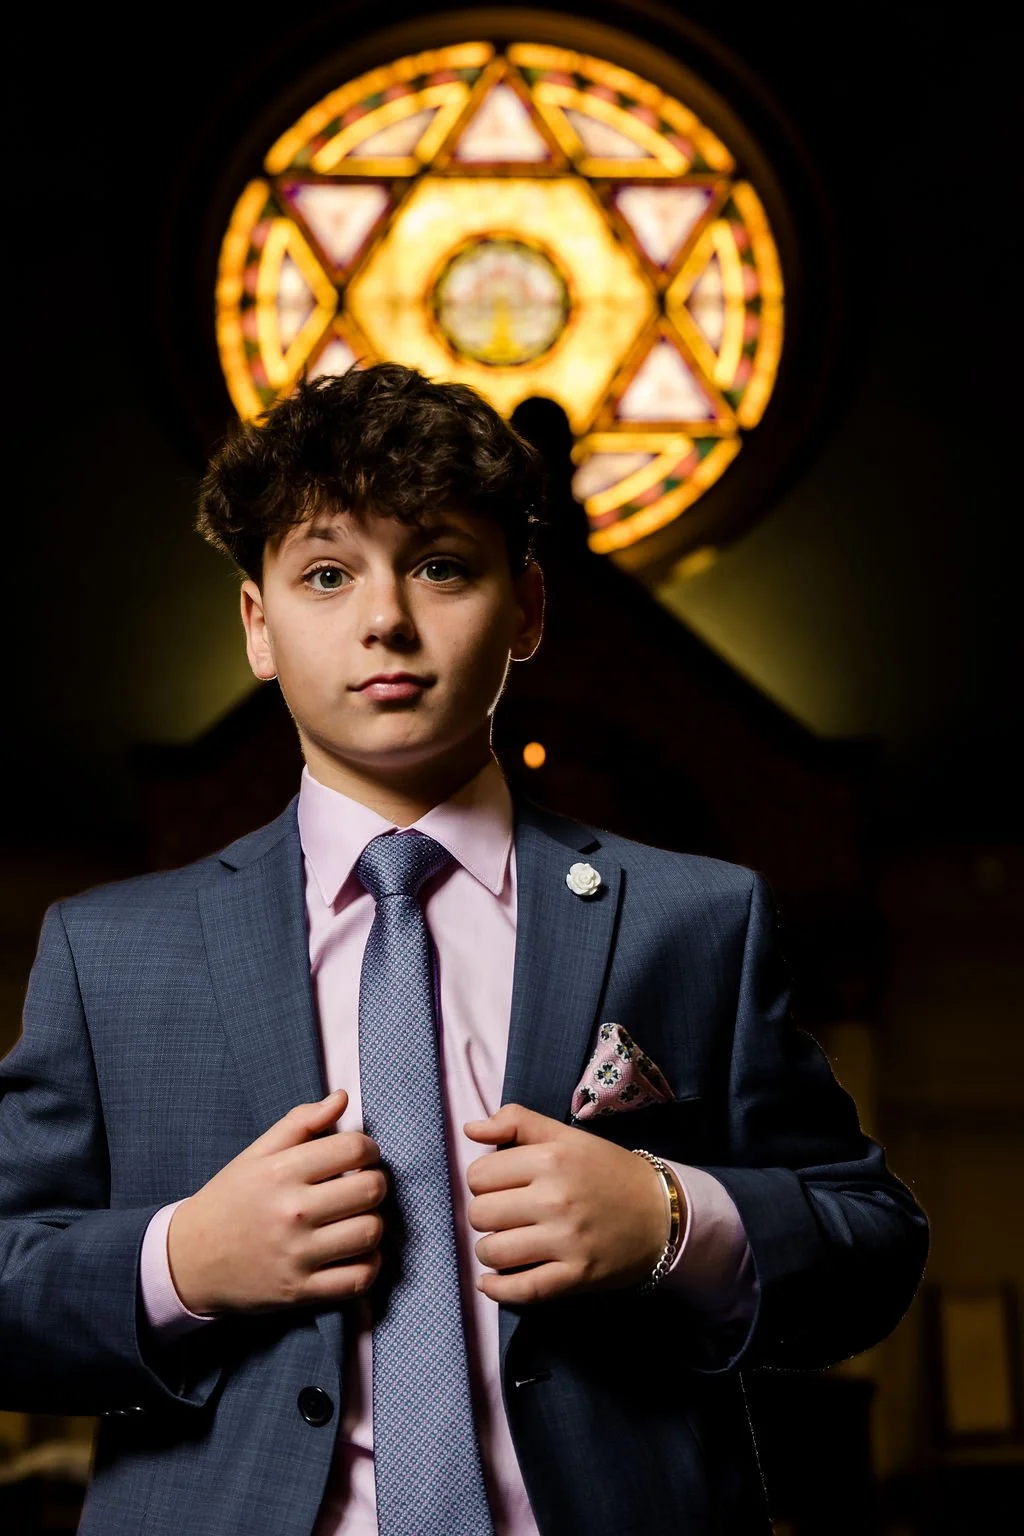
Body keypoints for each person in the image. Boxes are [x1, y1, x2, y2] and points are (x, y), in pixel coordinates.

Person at [0, 363, 929, 1536]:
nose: (384, 618)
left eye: (440, 565)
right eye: (326, 574)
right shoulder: (109, 952)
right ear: (258, 626)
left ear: (527, 609)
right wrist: (182, 1258)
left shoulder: (695, 918)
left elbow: (873, 1242)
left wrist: (674, 1222)